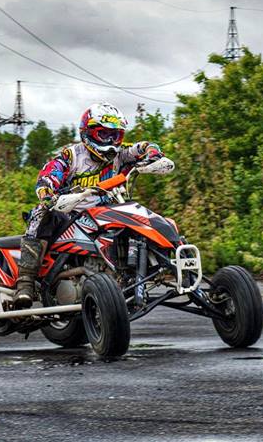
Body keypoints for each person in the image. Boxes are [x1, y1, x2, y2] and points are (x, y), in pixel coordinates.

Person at [14, 103, 164, 307]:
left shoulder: (120, 154)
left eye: (116, 135)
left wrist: (153, 153)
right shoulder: (72, 155)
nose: (111, 141)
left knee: (137, 217)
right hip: (68, 213)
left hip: (105, 213)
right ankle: (25, 282)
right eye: (104, 134)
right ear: (88, 132)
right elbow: (48, 175)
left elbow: (144, 146)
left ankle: (144, 270)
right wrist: (47, 193)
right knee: (42, 212)